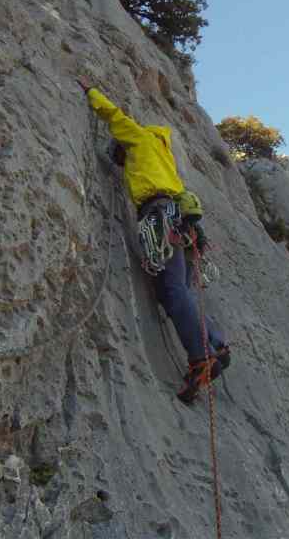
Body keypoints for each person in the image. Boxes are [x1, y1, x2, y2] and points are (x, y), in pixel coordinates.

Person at [77, 75, 230, 403]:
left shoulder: (139, 139)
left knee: (172, 291)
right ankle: (215, 342)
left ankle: (202, 355)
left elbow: (115, 117)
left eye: (119, 156)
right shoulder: (164, 157)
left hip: (159, 214)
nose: (121, 164)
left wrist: (91, 91)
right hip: (181, 221)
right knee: (178, 291)